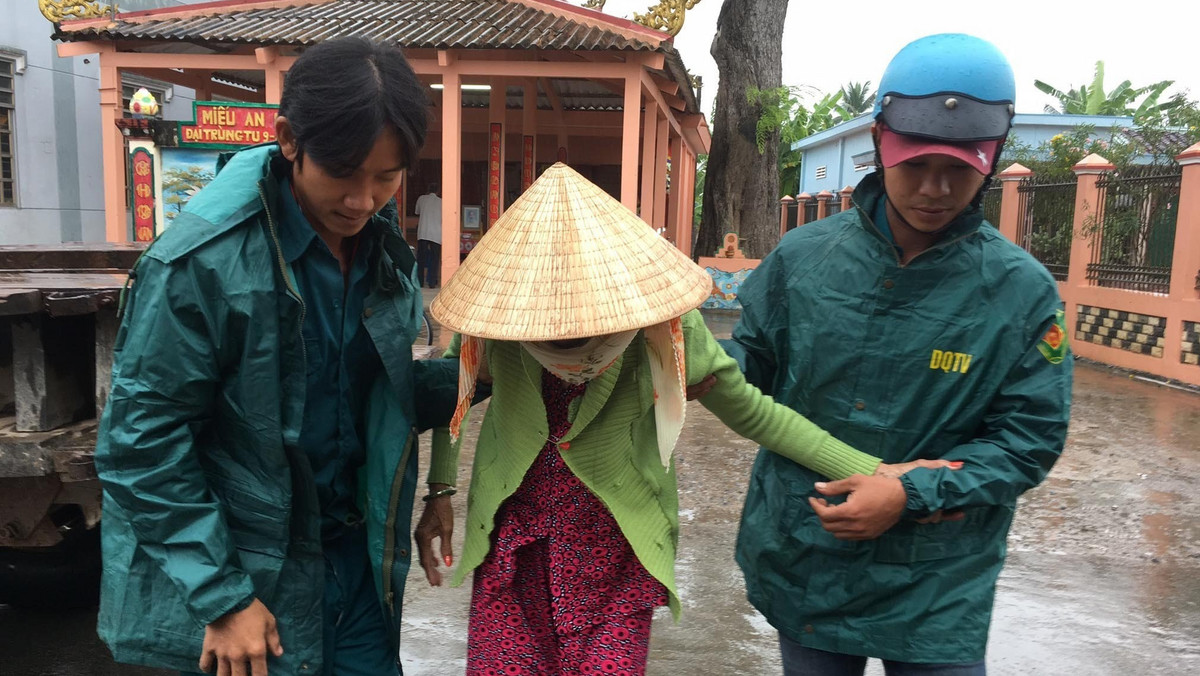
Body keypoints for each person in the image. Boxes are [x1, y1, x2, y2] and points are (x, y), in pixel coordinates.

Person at [412, 164, 952, 675]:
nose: (565, 335)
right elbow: (452, 398)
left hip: (616, 551)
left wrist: (876, 470)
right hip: (516, 544)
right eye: (549, 328)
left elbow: (757, 414)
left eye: (585, 324)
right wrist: (440, 490)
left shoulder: (668, 331)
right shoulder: (496, 321)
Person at [94, 37, 459, 676]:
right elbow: (140, 442)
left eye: (386, 176)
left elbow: (381, 396)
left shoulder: (381, 254)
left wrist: (495, 370)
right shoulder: (200, 265)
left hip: (354, 556)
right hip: (246, 569)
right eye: (343, 173)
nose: (363, 200)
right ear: (289, 139)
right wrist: (223, 596)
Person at [725, 33, 1074, 675]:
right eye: (916, 165)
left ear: (990, 159)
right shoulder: (802, 261)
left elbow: (1029, 441)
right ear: (882, 143)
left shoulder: (1020, 292)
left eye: (959, 170)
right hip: (810, 555)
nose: (936, 189)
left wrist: (912, 490)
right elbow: (740, 378)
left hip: (938, 579)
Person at [414, 186, 442, 288]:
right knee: (435, 258)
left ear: (428, 190)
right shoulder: (441, 202)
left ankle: (420, 281)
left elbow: (417, 212)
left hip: (423, 232)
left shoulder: (421, 199)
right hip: (436, 233)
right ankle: (432, 282)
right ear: (437, 191)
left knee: (421, 258)